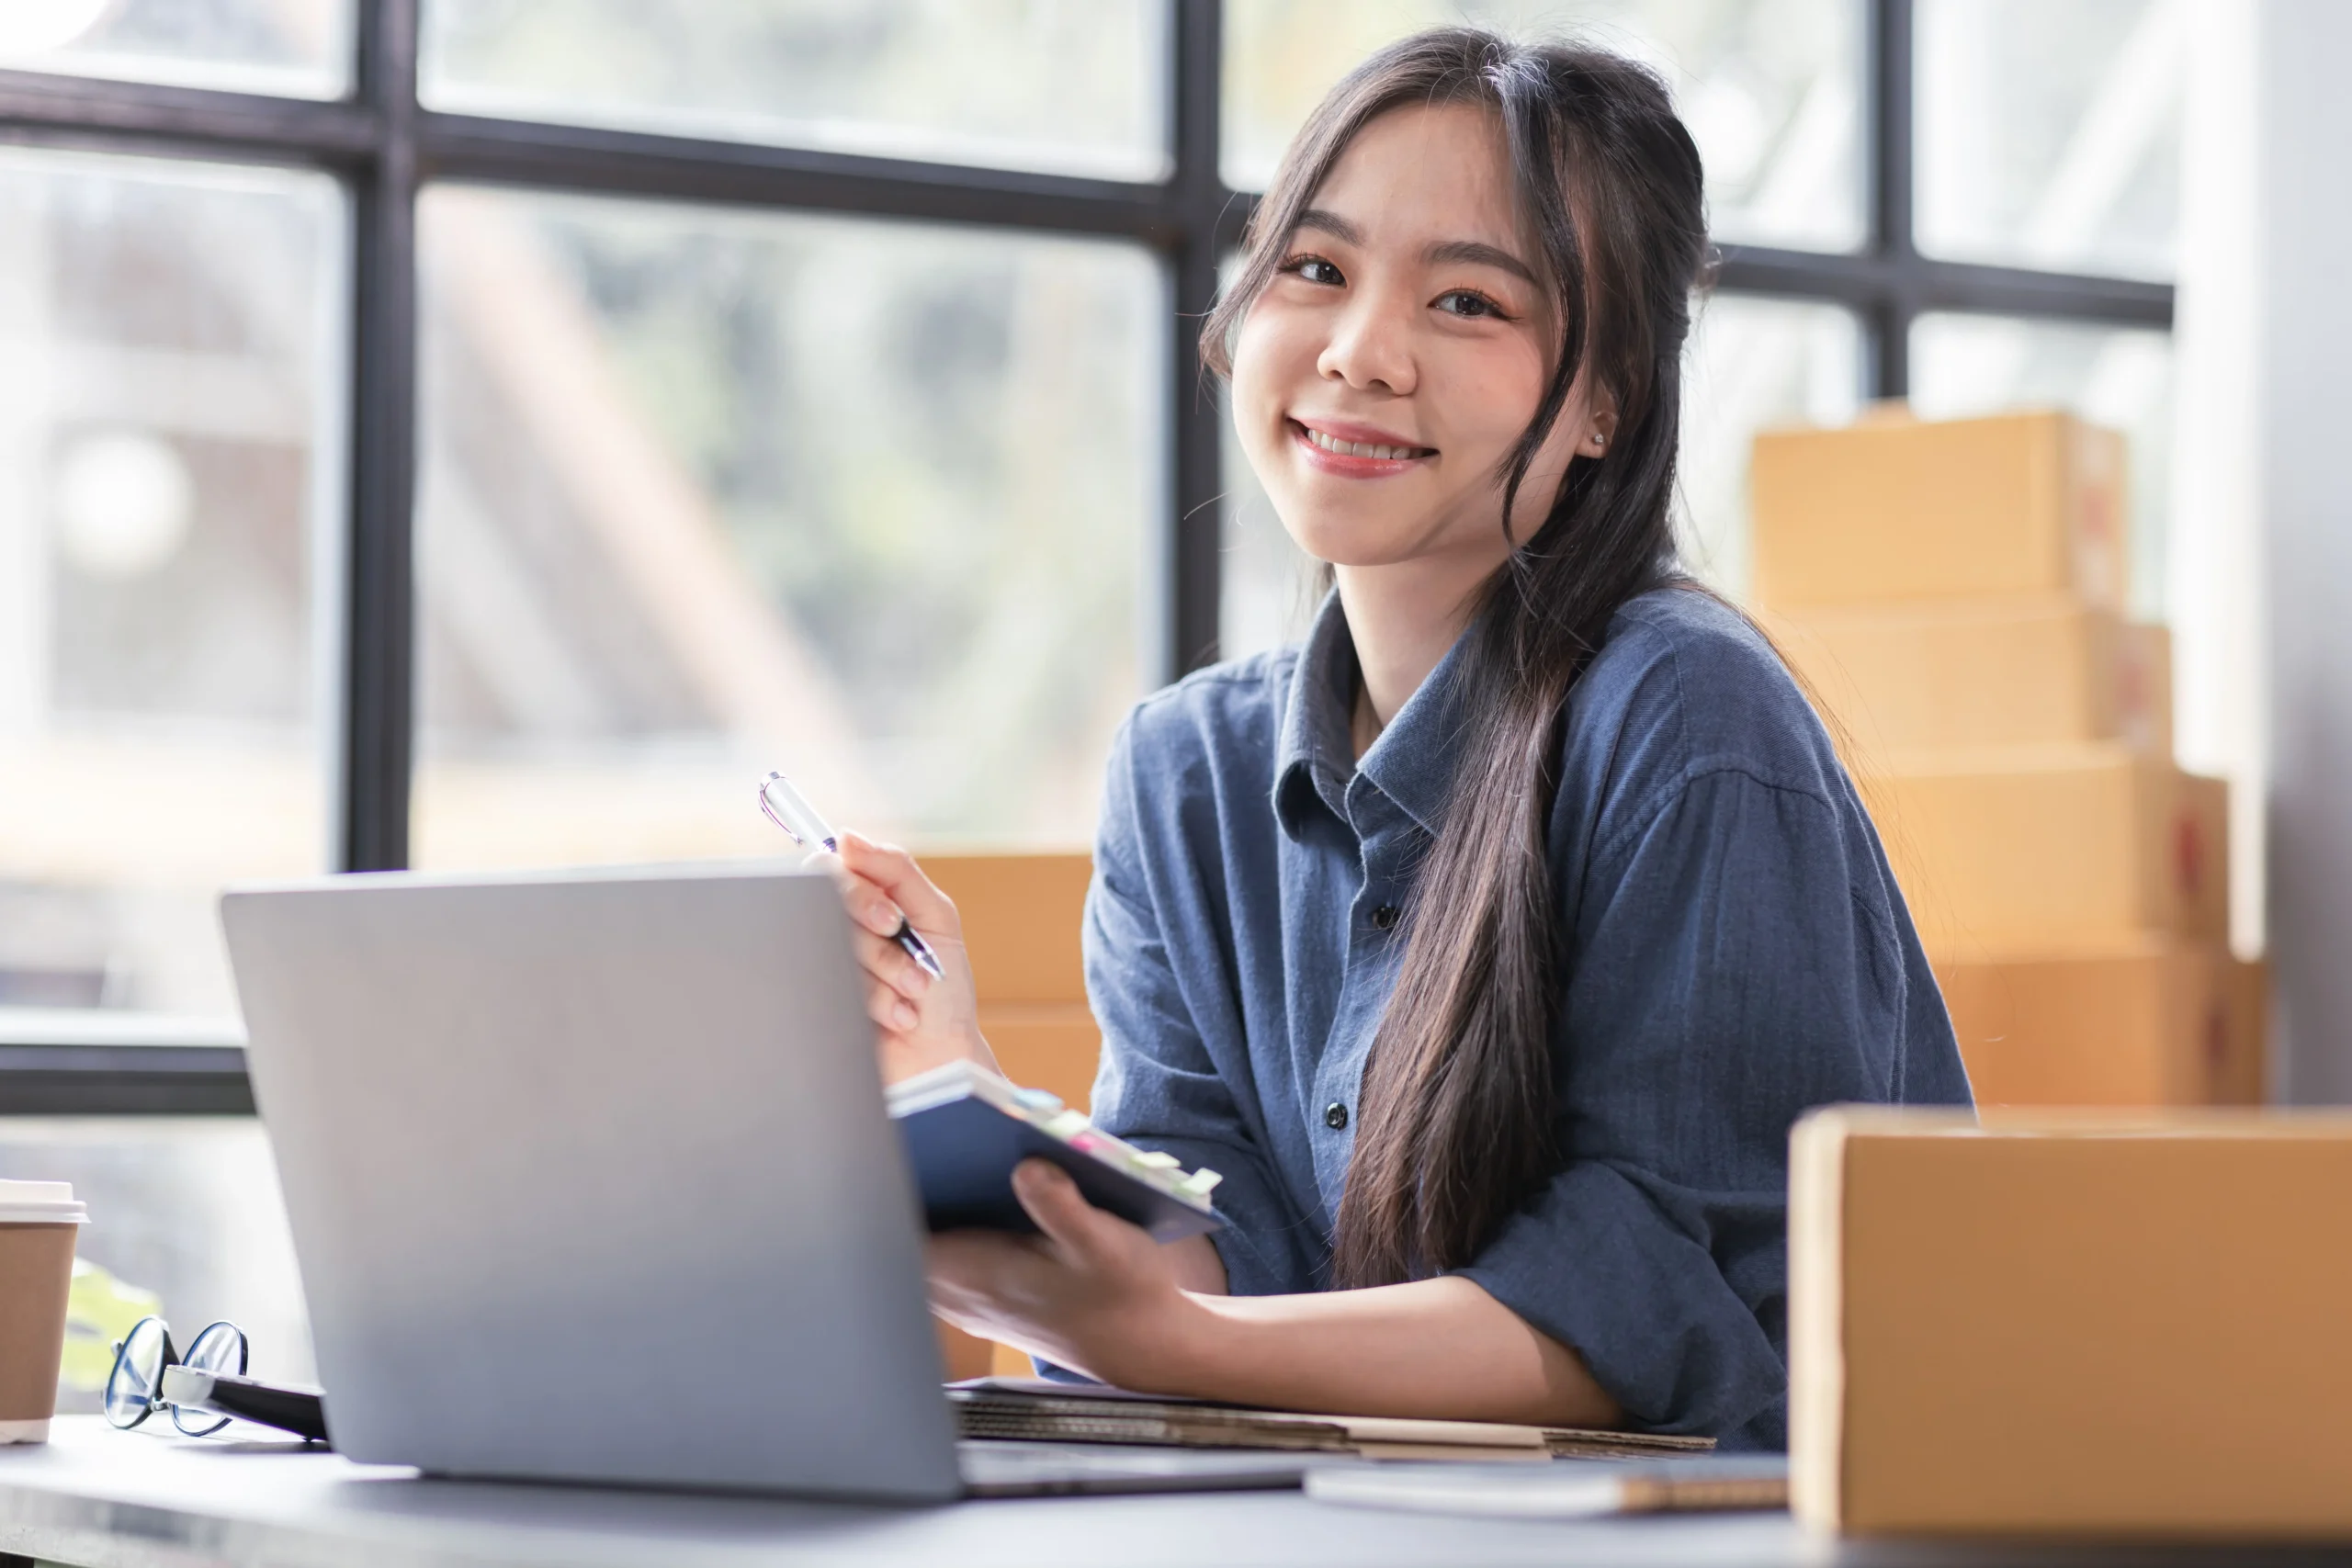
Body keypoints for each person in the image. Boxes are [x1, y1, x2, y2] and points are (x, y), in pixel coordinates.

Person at [831, 28, 1971, 1450]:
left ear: (1608, 401)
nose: (1361, 352)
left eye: (1470, 302)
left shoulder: (1684, 716)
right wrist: (957, 1102)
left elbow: (1662, 1302)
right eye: (1314, 269)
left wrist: (1172, 1337)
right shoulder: (1184, 772)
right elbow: (1215, 1247)